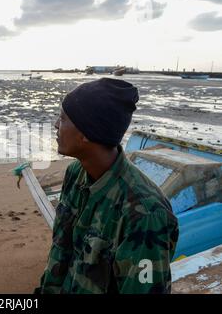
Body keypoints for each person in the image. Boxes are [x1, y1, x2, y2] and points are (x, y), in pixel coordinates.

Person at [35, 78, 179, 294]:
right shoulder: (75, 174)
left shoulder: (145, 215)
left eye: (63, 119)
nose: (56, 125)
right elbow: (60, 253)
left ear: (86, 133)